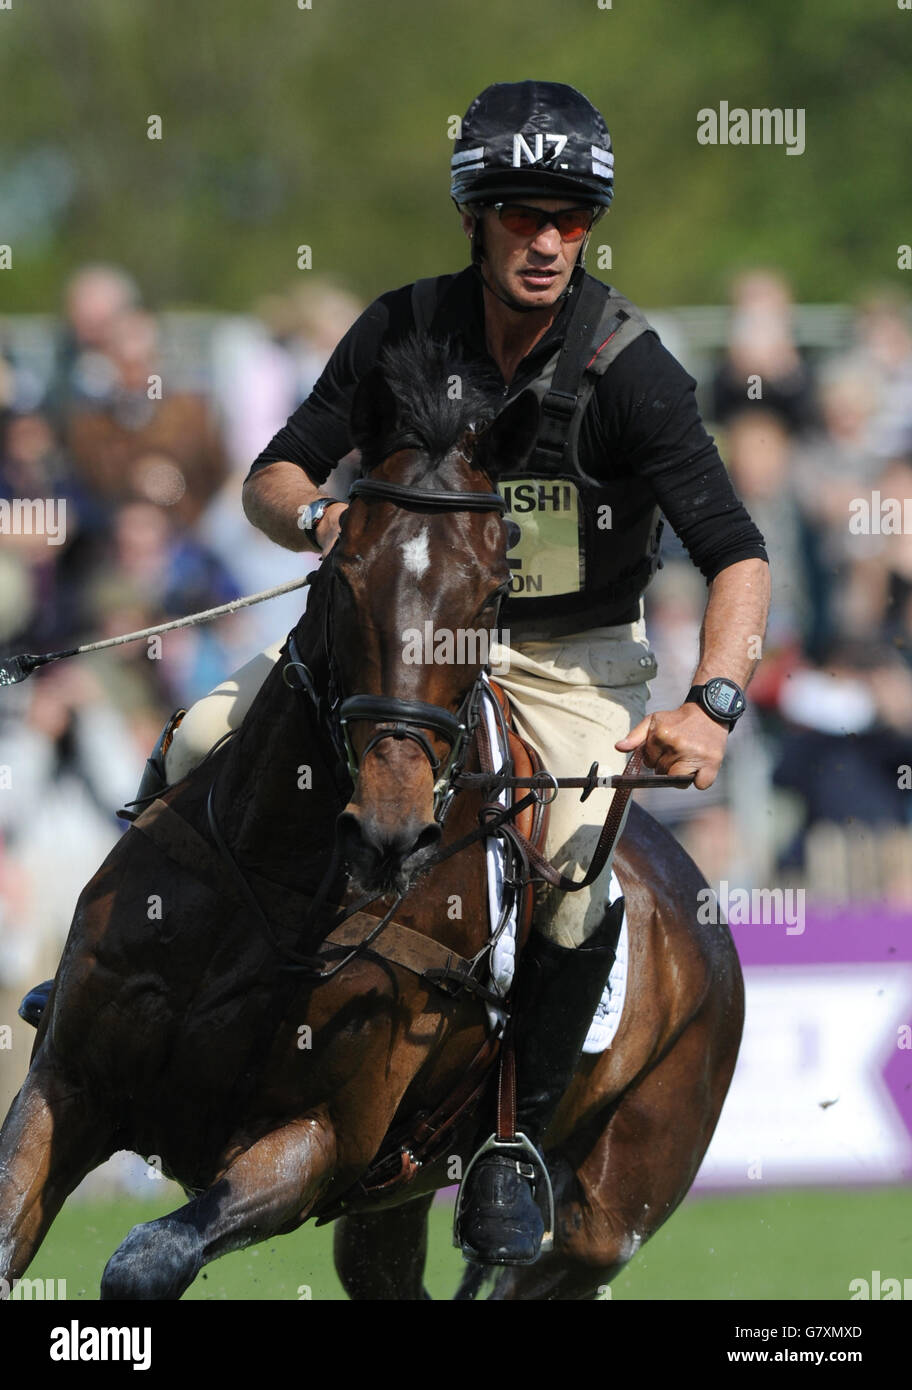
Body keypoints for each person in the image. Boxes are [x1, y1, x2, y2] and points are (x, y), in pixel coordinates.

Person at [21, 80, 770, 1267]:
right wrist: (320, 521)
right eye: (525, 213)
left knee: (574, 873)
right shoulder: (399, 328)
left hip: (562, 663)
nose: (549, 241)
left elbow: (736, 554)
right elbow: (274, 474)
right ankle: (101, 991)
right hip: (396, 630)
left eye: (572, 218)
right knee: (206, 734)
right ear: (475, 216)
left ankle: (512, 1149)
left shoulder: (634, 373)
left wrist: (714, 699)